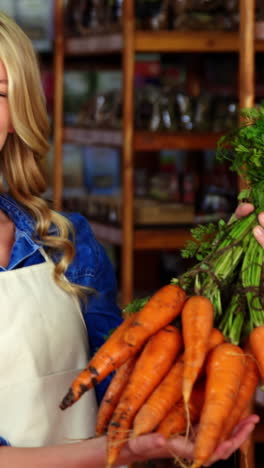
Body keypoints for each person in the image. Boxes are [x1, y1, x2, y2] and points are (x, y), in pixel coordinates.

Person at [0, 10, 259, 467]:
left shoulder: (66, 244)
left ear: (16, 114)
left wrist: (242, 262)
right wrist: (120, 449)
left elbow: (124, 391)